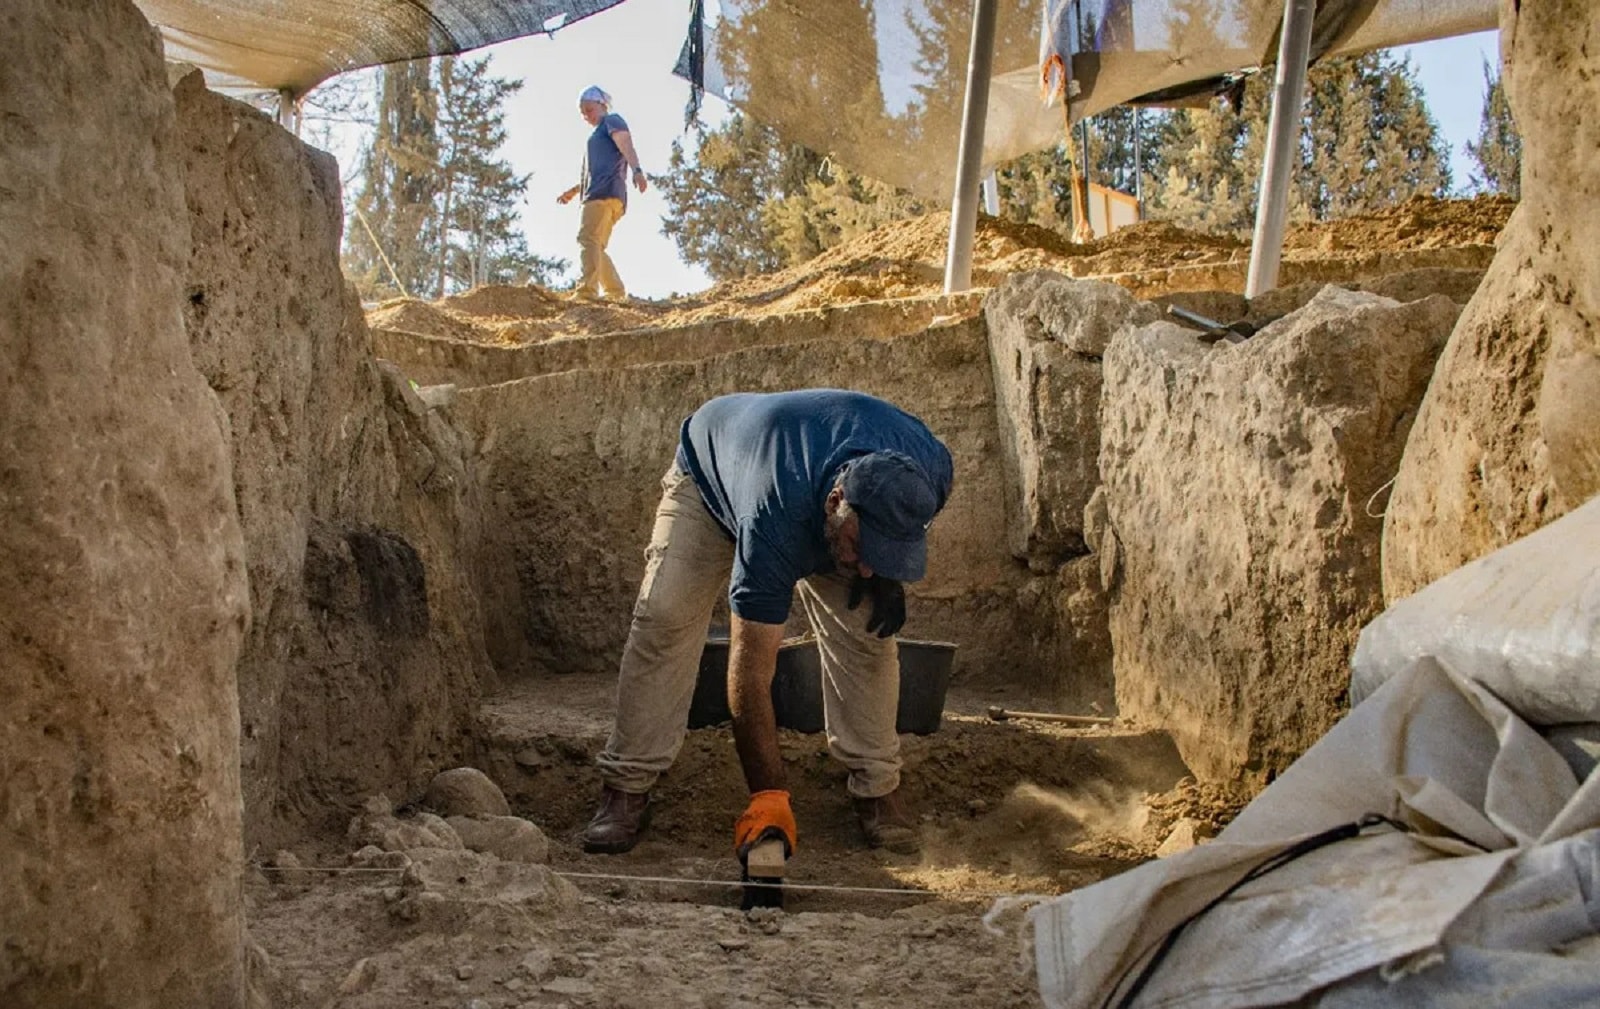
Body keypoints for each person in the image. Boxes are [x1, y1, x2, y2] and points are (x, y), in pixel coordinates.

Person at [581, 389, 954, 867]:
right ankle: (625, 786)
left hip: (806, 481)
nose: (865, 569)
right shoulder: (772, 515)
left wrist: (883, 568)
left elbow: (882, 539)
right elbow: (750, 674)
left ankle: (877, 789)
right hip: (710, 479)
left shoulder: (930, 471)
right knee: (664, 619)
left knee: (868, 637)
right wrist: (768, 796)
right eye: (864, 548)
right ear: (836, 502)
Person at [556, 85, 647, 301]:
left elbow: (626, 145)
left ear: (602, 105)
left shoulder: (611, 121)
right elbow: (595, 170)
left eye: (589, 109)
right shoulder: (599, 135)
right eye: (582, 113)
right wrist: (573, 191)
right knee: (597, 245)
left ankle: (586, 291)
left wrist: (637, 170)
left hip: (602, 193)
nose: (586, 116)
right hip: (607, 192)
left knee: (587, 239)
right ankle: (615, 292)